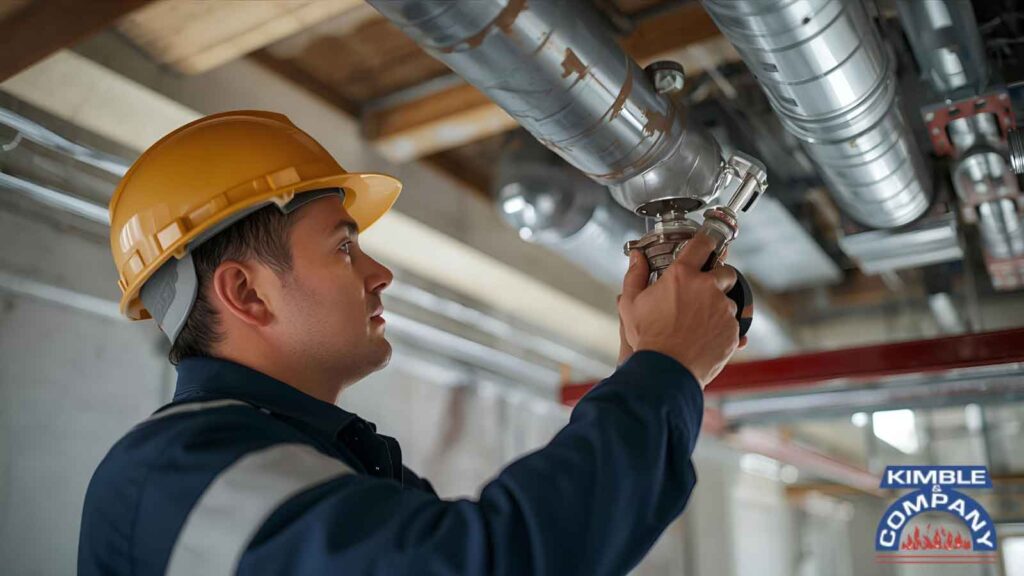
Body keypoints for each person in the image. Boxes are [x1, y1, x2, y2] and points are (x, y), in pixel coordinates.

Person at [78, 110, 742, 575]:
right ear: (247, 294)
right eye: (344, 247)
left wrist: (644, 370)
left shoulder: (312, 458)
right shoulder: (177, 470)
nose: (380, 274)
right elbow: (488, 562)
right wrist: (661, 372)